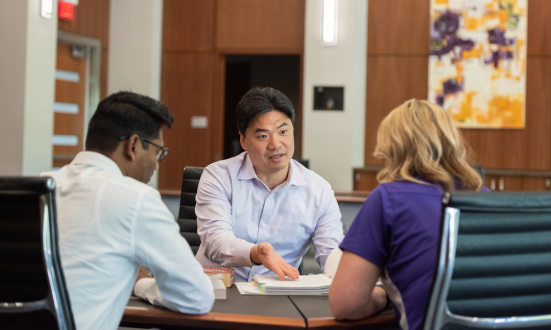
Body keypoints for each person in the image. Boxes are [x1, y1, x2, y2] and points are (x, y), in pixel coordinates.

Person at [41, 92, 214, 330]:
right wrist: (140, 284)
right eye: (157, 152)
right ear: (133, 145)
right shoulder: (136, 198)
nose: (155, 164)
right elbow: (196, 297)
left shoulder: (36, 187)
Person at [329, 99, 488, 330]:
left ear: (392, 148)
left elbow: (346, 305)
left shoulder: (388, 199)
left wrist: (383, 296)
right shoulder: (486, 198)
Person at [195, 86, 344, 282]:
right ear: (244, 140)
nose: (275, 144)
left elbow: (332, 254)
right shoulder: (218, 176)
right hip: (217, 290)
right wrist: (255, 253)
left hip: (277, 295)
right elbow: (216, 241)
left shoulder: (319, 191)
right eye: (263, 136)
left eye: (283, 131)